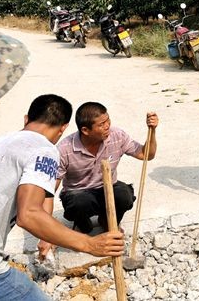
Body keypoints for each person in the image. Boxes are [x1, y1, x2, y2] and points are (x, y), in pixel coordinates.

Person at [0, 95, 124, 300]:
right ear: (63, 128)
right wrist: (89, 244)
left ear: (26, 119)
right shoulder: (43, 149)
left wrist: (47, 236)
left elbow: (42, 197)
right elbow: (28, 214)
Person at [37, 102, 158, 256]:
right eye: (102, 124)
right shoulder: (64, 149)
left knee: (124, 195)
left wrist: (152, 131)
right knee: (79, 203)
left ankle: (107, 222)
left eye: (108, 121)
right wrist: (46, 233)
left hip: (108, 187)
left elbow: (146, 154)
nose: (107, 126)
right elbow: (48, 191)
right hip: (78, 192)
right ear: (85, 130)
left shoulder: (117, 136)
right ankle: (83, 226)